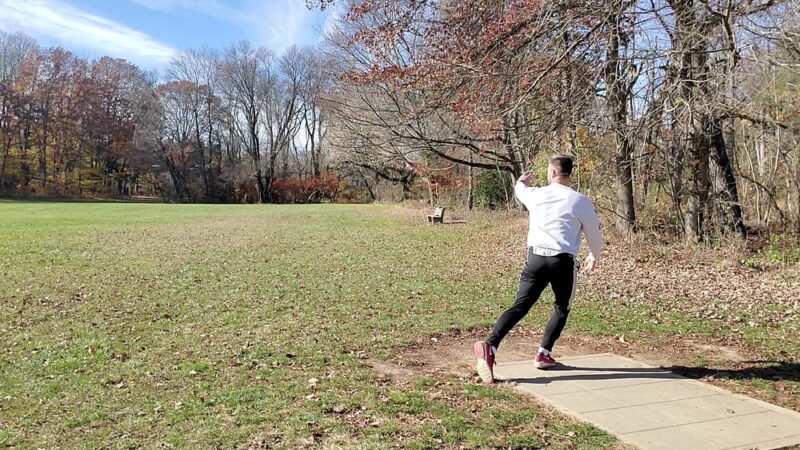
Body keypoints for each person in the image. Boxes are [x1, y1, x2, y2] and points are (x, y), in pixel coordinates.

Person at [474, 155, 603, 383]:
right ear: (568, 173)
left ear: (552, 172)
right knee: (562, 307)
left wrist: (522, 181)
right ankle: (544, 353)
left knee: (520, 305)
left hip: (535, 259)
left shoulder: (536, 195)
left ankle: (491, 345)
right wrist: (594, 255)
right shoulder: (580, 200)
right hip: (562, 262)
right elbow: (594, 233)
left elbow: (519, 190)